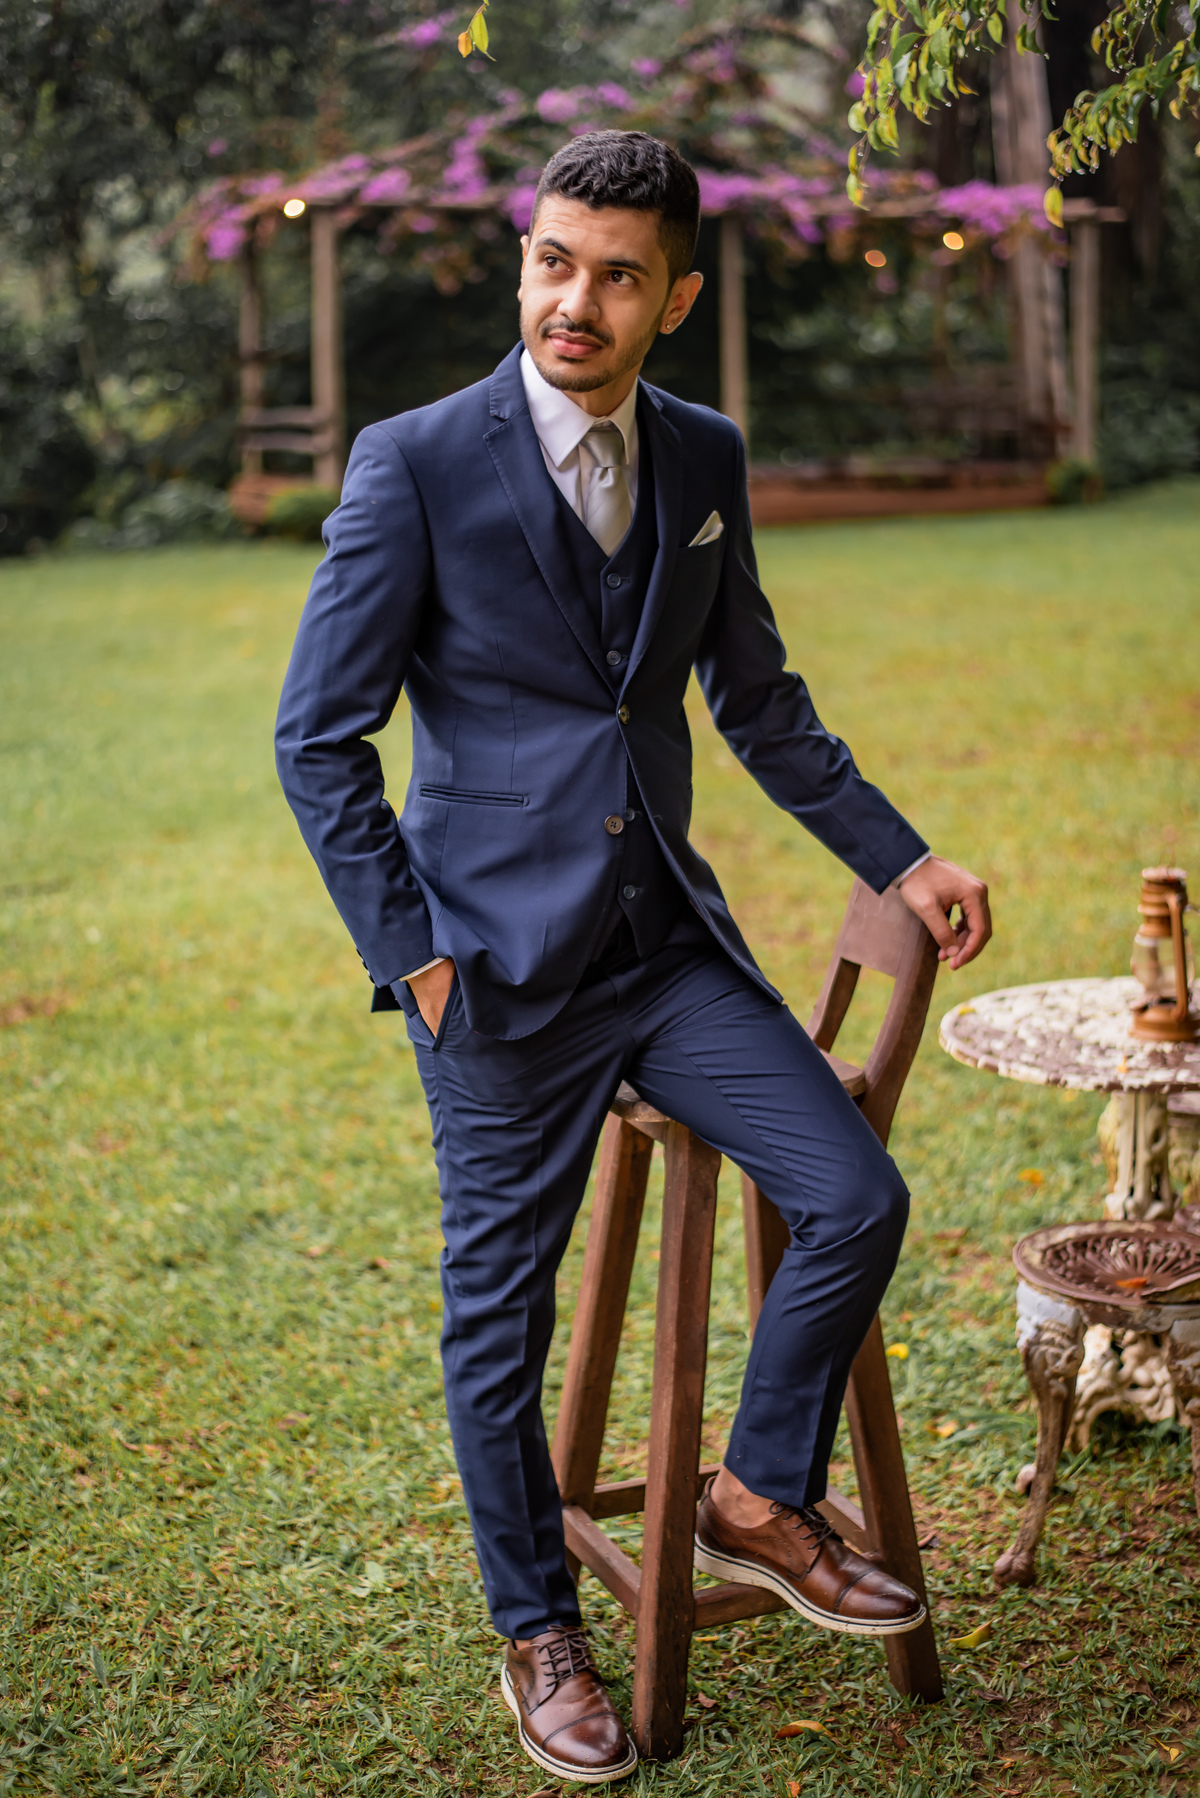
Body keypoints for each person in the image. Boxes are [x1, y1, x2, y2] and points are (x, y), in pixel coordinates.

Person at [275, 129, 991, 1785]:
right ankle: (539, 1629)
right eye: (553, 261)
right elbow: (318, 738)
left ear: (673, 297)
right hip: (495, 976)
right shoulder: (415, 462)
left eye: (616, 275)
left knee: (857, 1193)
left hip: (665, 951)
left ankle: (753, 1492)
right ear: (524, 258)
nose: (573, 302)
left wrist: (904, 856)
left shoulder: (703, 454)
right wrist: (420, 961)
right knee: (497, 1318)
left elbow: (760, 703)